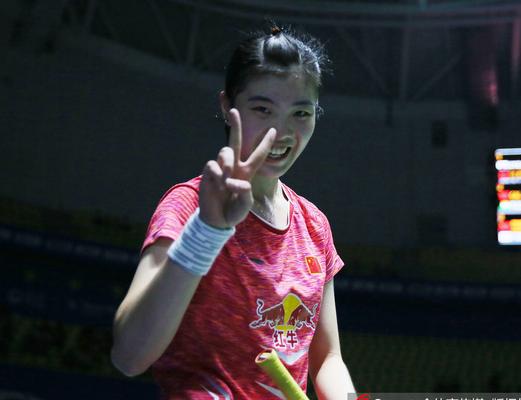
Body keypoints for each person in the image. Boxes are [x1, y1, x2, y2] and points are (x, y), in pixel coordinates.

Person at [110, 24, 355, 400]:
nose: (281, 132)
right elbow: (129, 357)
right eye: (263, 109)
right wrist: (207, 231)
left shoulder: (314, 226)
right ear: (228, 107)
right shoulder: (188, 206)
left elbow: (327, 359)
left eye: (300, 113)